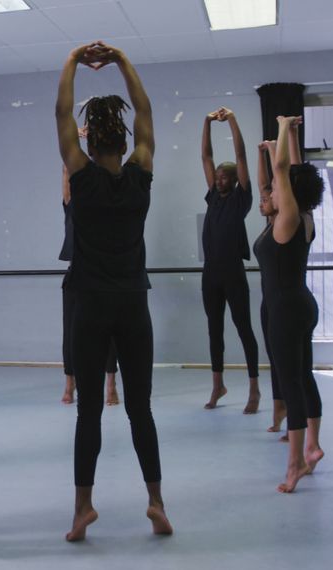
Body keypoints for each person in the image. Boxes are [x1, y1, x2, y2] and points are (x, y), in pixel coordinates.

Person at [55, 41, 172, 542]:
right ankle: (156, 501)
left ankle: (82, 508)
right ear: (123, 141)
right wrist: (124, 61)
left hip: (90, 307)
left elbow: (61, 112)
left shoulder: (78, 178)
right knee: (140, 407)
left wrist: (72, 62)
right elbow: (145, 111)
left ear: (90, 143)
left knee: (87, 413)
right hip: (131, 306)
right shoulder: (140, 176)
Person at [254, 115, 325, 493]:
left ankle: (294, 463)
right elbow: (295, 170)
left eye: (277, 190)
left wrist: (282, 127)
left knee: (291, 382)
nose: (272, 192)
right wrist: (291, 137)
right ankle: (312, 446)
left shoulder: (288, 219)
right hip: (301, 305)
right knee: (303, 376)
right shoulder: (305, 218)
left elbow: (284, 170)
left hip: (285, 310)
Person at [200, 107, 261, 413]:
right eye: (218, 177)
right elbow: (206, 158)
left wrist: (234, 120)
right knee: (215, 329)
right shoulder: (212, 196)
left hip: (233, 272)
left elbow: (241, 155)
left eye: (225, 177)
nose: (219, 179)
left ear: (235, 180)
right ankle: (218, 385)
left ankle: (254, 388)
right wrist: (207, 122)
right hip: (210, 272)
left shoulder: (242, 198)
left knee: (243, 327)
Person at [61, 163, 121, 406]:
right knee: (70, 332)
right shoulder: (73, 205)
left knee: (109, 333)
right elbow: (67, 177)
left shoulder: (106, 207)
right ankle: (70, 384)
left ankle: (111, 384)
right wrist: (70, 150)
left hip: (103, 274)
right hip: (77, 273)